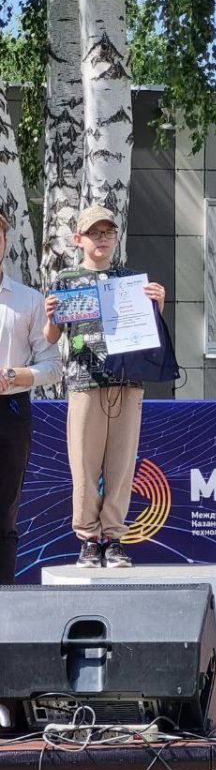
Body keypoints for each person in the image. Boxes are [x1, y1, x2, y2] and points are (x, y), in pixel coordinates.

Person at [44, 204, 165, 569]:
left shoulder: (131, 280)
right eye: (94, 233)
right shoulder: (66, 280)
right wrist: (51, 317)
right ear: (78, 239)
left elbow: (148, 334)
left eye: (108, 232)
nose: (102, 239)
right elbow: (51, 337)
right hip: (84, 382)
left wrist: (157, 306)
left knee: (121, 465)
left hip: (127, 382)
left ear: (116, 237)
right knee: (84, 465)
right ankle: (88, 538)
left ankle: (113, 537)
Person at [0, 211, 62, 583]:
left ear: (5, 241)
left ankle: (3, 604)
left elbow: (53, 366)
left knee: (5, 514)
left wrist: (13, 376)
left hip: (10, 411)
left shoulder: (28, 300)